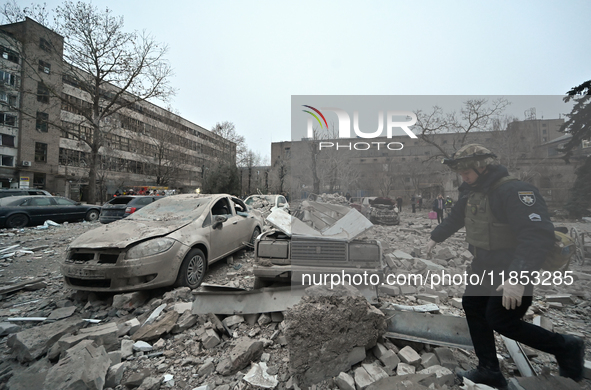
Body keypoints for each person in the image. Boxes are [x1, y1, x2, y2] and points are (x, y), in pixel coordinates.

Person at [426, 144, 585, 388]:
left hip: (511, 268)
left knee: (501, 320)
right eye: (460, 172)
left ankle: (567, 346)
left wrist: (518, 278)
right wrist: (436, 236)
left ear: (482, 166)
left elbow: (536, 235)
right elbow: (458, 215)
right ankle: (489, 370)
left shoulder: (515, 191)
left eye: (466, 171)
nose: (463, 176)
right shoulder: (472, 189)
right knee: (473, 306)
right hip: (484, 264)